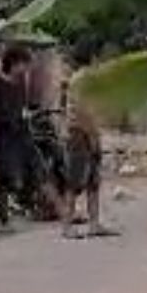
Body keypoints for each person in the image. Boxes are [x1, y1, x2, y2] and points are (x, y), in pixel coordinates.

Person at [0, 46, 36, 228]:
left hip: (21, 133)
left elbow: (23, 106)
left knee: (30, 169)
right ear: (13, 64)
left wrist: (26, 115)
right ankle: (4, 219)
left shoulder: (21, 83)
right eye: (23, 64)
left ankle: (27, 207)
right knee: (4, 177)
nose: (25, 69)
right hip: (3, 137)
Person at [61, 89, 112, 238]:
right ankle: (67, 226)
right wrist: (92, 138)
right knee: (74, 184)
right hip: (79, 138)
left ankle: (94, 224)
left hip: (90, 137)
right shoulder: (81, 84)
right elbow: (83, 117)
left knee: (93, 184)